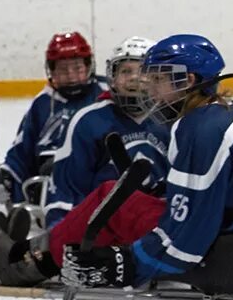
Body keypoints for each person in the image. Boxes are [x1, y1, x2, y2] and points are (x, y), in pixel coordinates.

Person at [40, 35, 233, 300]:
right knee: (132, 199)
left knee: (112, 199)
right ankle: (40, 252)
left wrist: (125, 263)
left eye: (158, 81)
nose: (150, 90)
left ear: (185, 81)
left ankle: (36, 261)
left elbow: (185, 240)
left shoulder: (199, 130)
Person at [41, 36, 170, 230]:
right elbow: (67, 190)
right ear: (113, 78)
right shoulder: (89, 121)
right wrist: (62, 230)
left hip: (157, 226)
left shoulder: (171, 121)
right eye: (126, 71)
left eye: (144, 71)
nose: (135, 78)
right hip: (103, 228)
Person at [0, 31, 111, 208]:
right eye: (62, 69)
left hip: (96, 176)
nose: (70, 75)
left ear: (88, 66)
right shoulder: (43, 102)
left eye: (77, 68)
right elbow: (22, 150)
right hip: (49, 182)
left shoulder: (107, 93)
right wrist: (7, 176)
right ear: (51, 71)